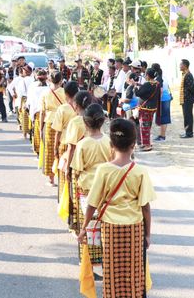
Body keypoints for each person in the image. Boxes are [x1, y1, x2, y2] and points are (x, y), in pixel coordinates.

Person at [78, 119, 156, 298]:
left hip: (110, 229)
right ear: (133, 144)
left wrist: (84, 229)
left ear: (111, 145)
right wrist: (147, 234)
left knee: (112, 274)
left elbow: (92, 204)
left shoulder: (104, 170)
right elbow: (145, 207)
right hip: (134, 228)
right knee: (134, 274)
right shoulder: (140, 171)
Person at [72, 103, 111, 268]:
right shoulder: (109, 140)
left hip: (87, 190)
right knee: (105, 226)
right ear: (102, 122)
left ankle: (90, 263)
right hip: (107, 190)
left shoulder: (82, 144)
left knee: (89, 226)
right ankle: (107, 258)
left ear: (85, 123)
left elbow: (76, 170)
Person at [64, 91, 92, 230]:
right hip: (95, 163)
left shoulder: (75, 122)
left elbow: (71, 147)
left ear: (76, 104)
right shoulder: (94, 117)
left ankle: (77, 223)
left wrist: (67, 168)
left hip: (78, 163)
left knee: (77, 195)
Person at [51, 81, 80, 202]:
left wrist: (55, 147)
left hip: (65, 145)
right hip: (80, 146)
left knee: (64, 176)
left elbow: (57, 131)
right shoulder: (82, 108)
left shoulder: (62, 109)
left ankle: (65, 202)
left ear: (65, 93)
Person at [39, 71, 65, 186]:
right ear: (61, 81)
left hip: (49, 122)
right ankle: (63, 176)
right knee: (62, 148)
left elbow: (42, 112)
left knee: (49, 151)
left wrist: (40, 128)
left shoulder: (45, 93)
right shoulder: (65, 92)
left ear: (49, 79)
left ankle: (51, 178)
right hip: (63, 122)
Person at [135, 68, 160, 152]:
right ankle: (147, 143)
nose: (145, 76)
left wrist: (134, 86)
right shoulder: (157, 84)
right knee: (148, 126)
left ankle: (147, 145)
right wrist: (139, 85)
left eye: (146, 74)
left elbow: (138, 93)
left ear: (148, 75)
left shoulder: (147, 84)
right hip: (152, 108)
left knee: (144, 126)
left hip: (145, 108)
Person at [27, 69, 49, 154]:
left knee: (38, 133)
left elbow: (31, 104)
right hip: (48, 114)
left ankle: (39, 152)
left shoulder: (33, 89)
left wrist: (31, 116)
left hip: (37, 113)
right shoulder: (49, 89)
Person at [153, 64, 171, 142]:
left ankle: (162, 136)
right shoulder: (163, 77)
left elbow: (160, 91)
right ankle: (161, 135)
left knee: (163, 118)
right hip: (167, 98)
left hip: (162, 99)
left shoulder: (158, 78)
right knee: (164, 117)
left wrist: (157, 101)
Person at [16, 63, 34, 139]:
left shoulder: (22, 81)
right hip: (33, 99)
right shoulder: (34, 80)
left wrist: (19, 105)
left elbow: (19, 94)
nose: (22, 72)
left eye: (23, 70)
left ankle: (25, 134)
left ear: (26, 72)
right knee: (32, 116)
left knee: (24, 117)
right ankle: (32, 133)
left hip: (24, 99)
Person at [179, 59, 194, 138]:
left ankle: (189, 133)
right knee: (186, 116)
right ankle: (187, 131)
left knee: (188, 116)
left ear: (185, 66)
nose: (179, 66)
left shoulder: (188, 75)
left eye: (181, 65)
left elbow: (191, 87)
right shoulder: (184, 74)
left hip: (188, 99)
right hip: (185, 99)